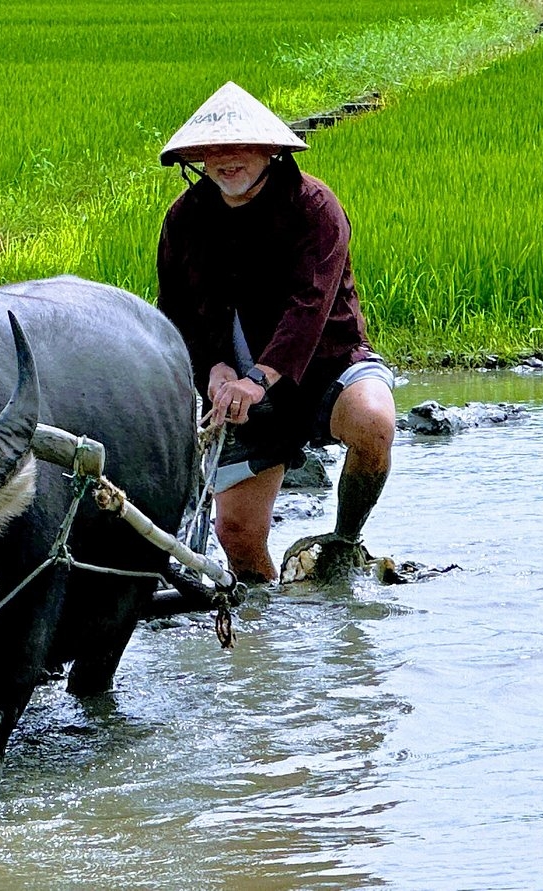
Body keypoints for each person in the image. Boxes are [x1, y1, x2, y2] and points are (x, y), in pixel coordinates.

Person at [155, 81, 396, 583]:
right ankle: (268, 628)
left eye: (238, 147)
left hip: (327, 367)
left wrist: (259, 378)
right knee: (237, 537)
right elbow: (176, 313)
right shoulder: (184, 220)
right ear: (197, 158)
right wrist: (214, 371)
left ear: (269, 150)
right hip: (238, 392)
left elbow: (310, 307)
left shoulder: (314, 207)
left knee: (374, 423)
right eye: (212, 151)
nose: (225, 159)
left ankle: (343, 541)